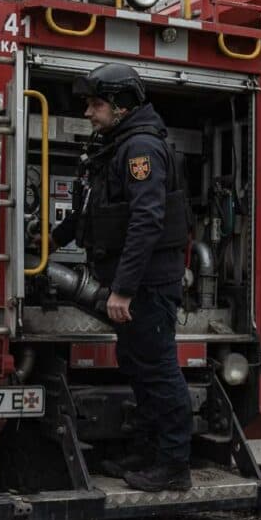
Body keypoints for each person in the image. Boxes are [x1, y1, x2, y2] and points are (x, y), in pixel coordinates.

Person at [50, 63, 193, 492]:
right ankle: (148, 451)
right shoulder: (116, 146)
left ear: (121, 106)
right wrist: (49, 240)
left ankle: (173, 466)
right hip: (136, 283)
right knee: (138, 365)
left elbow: (147, 220)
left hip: (147, 284)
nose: (89, 113)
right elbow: (94, 213)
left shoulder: (140, 150)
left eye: (95, 104)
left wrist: (124, 290)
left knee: (159, 369)